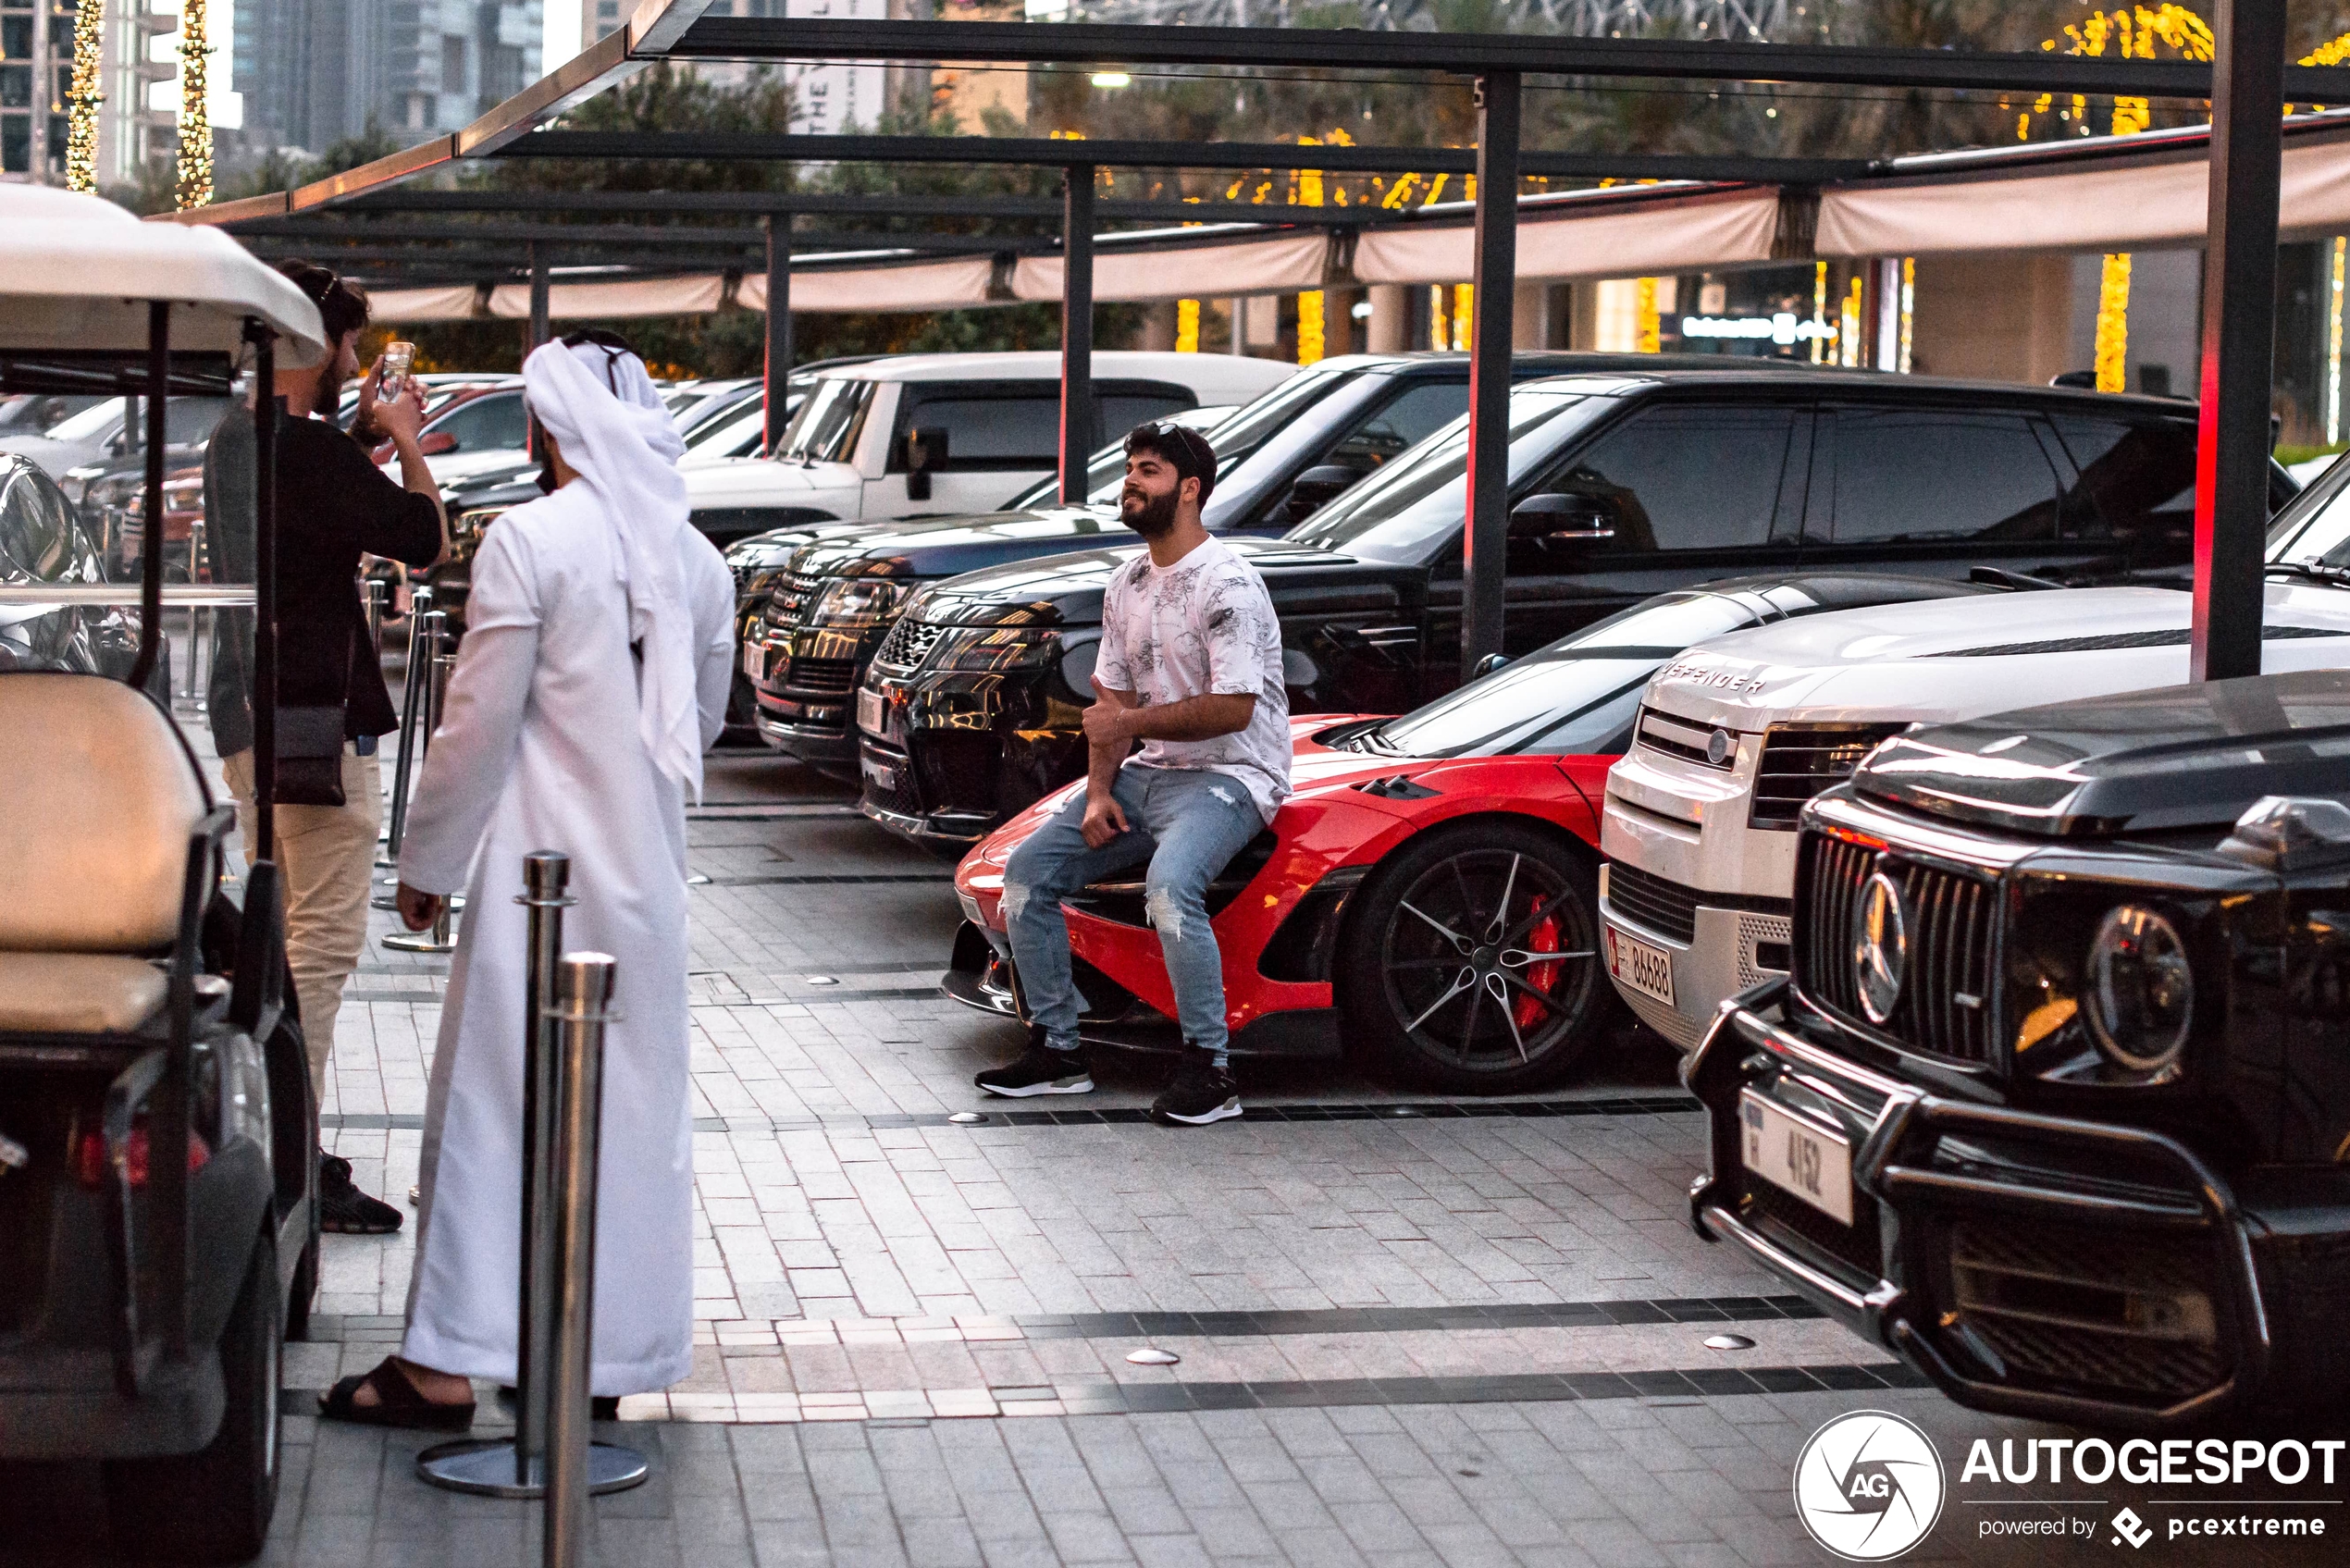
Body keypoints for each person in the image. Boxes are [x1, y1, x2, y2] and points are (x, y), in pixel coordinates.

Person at [318, 333, 734, 1427]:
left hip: (530, 884)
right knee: (627, 1114)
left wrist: (426, 865)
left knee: (495, 1108)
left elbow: (476, 725)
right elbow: (709, 725)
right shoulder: (697, 561)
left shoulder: (530, 542)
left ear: (547, 431)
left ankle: (445, 1362)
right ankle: (601, 1357)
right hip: (644, 888)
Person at [205, 260, 448, 1235]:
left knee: (279, 932)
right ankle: (287, 1150)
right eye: (346, 342)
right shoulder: (309, 452)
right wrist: (406, 441)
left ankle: (276, 1133)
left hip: (246, 719)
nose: (352, 359)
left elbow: (316, 504)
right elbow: (421, 538)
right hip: (314, 728)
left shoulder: (236, 440)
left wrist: (359, 445)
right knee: (320, 944)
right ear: (311, 345)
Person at [975, 422, 1292, 1127]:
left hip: (1232, 776)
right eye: (1129, 468)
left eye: (1146, 471)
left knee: (1170, 890)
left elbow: (1235, 709)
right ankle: (1059, 1051)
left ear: (1189, 489)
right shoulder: (1129, 582)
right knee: (1027, 874)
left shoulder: (1228, 584)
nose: (1129, 482)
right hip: (1146, 775)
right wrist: (1095, 791)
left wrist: (1126, 728)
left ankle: (1211, 1069)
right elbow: (1109, 704)